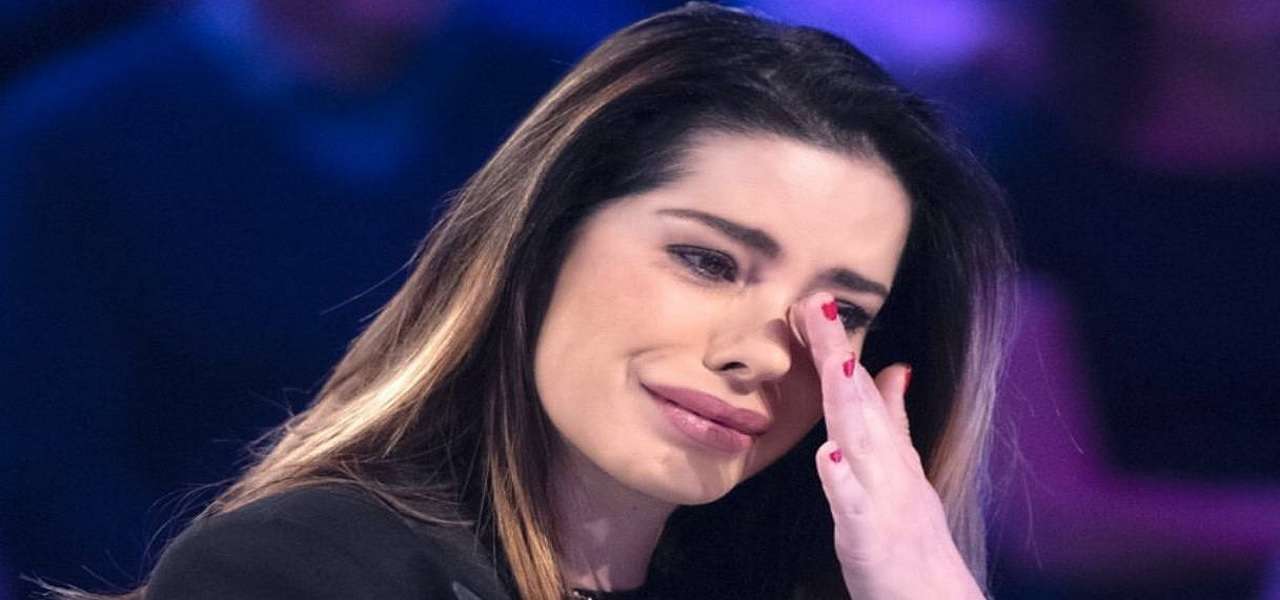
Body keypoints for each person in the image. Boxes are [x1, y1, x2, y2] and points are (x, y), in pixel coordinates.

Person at [41, 3, 1015, 599]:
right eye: (707, 261)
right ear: (541, 243)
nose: (762, 353)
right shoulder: (308, 570)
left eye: (840, 313)